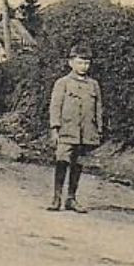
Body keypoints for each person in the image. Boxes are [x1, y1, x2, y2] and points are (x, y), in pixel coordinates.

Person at [47, 45, 102, 213]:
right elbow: (55, 107)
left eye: (87, 63)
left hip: (86, 132)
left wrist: (99, 129)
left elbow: (98, 107)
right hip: (66, 130)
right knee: (62, 161)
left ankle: (71, 198)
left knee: (77, 164)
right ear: (70, 63)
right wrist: (55, 129)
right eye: (80, 62)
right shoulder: (62, 83)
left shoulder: (93, 85)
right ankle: (57, 198)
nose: (83, 66)